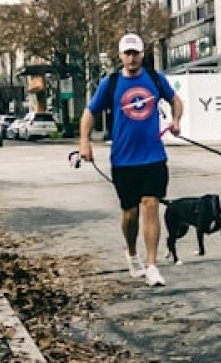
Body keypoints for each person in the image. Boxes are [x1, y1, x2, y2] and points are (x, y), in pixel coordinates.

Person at [78, 33, 185, 287]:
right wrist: (84, 142)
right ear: (120, 55)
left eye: (135, 53)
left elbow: (175, 100)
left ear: (142, 54)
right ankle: (132, 252)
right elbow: (90, 112)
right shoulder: (111, 83)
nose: (132, 58)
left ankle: (152, 266)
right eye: (127, 53)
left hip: (153, 157)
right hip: (124, 160)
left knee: (151, 204)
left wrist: (176, 120)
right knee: (130, 214)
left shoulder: (155, 79)